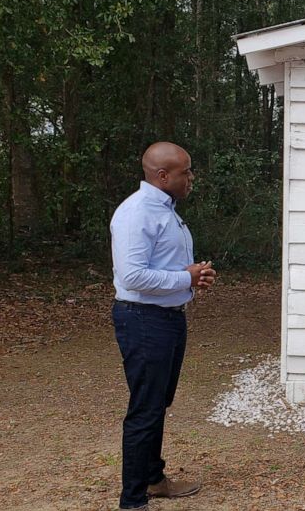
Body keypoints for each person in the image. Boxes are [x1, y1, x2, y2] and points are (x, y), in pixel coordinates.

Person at [110, 142, 217, 510]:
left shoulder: (166, 211)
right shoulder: (136, 213)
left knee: (158, 402)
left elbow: (167, 268)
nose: (191, 178)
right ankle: (133, 500)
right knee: (145, 407)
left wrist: (193, 279)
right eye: (185, 172)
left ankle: (153, 479)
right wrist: (184, 278)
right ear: (162, 176)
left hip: (168, 319)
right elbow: (133, 275)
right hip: (143, 320)